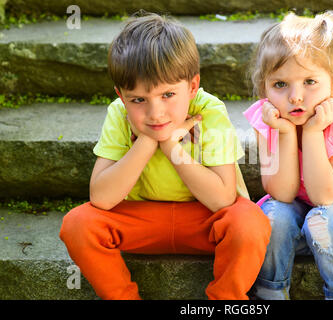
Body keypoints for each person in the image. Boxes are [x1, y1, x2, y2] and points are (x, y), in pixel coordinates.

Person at [59, 12, 271, 300]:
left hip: (204, 220)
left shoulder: (208, 111)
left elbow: (222, 199)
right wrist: (148, 141)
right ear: (122, 95)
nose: (155, 113)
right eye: (138, 100)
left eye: (168, 95)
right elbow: (102, 198)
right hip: (138, 221)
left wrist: (172, 147)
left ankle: (226, 299)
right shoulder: (118, 114)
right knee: (78, 224)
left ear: (192, 86)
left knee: (250, 221)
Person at [243, 12, 333, 300]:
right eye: (280, 85)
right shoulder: (268, 120)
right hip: (298, 209)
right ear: (265, 88)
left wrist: (311, 133)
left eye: (310, 81)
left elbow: (325, 196)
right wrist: (285, 134)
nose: (295, 97)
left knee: (322, 220)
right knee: (272, 217)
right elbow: (282, 194)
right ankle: (270, 292)